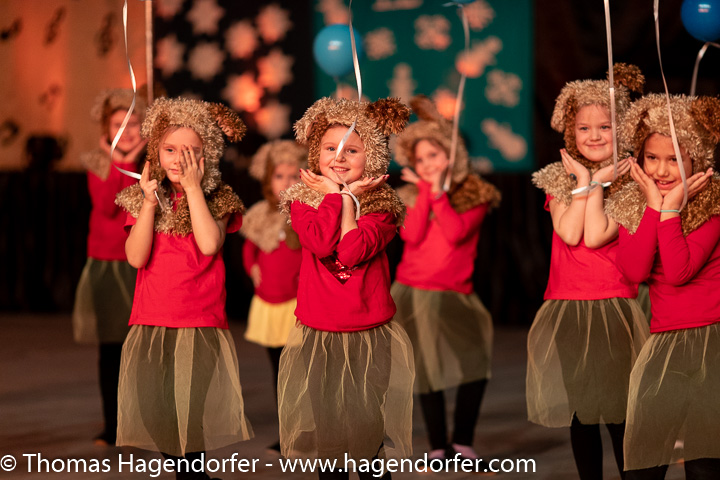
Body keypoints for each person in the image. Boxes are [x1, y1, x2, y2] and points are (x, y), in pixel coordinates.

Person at [277, 96, 415, 480]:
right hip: (319, 331)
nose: (338, 157)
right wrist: (334, 196)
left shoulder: (383, 207)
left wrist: (346, 200)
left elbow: (352, 252)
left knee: (366, 430)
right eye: (329, 148)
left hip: (367, 332)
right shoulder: (301, 202)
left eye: (351, 150)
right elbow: (321, 243)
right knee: (330, 433)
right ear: (315, 154)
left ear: (371, 158)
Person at [115, 97, 253, 480]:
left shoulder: (219, 197)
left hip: (198, 320)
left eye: (191, 151)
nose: (179, 159)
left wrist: (193, 190)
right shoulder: (143, 198)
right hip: (151, 319)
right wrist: (148, 202)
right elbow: (135, 257)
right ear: (156, 152)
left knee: (188, 415)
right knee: (155, 410)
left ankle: (192, 476)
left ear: (207, 154)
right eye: (170, 150)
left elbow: (209, 244)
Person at [527, 64, 650, 480]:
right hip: (567, 304)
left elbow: (595, 236)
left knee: (618, 409)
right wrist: (586, 181)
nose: (594, 136)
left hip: (614, 303)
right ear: (571, 132)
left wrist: (596, 182)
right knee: (581, 411)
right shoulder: (559, 178)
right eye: (584, 128)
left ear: (623, 129)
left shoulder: (632, 183)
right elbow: (568, 230)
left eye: (605, 127)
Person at [606, 93, 720, 480]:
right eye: (652, 158)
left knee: (704, 462)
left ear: (696, 161)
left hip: (711, 341)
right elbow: (635, 272)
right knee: (645, 461)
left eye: (674, 159)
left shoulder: (712, 205)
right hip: (665, 343)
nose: (661, 170)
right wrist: (654, 207)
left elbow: (678, 271)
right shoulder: (633, 205)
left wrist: (670, 210)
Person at [390, 95, 500, 465]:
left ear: (451, 155)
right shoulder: (410, 194)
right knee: (425, 370)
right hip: (414, 292)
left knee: (475, 364)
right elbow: (412, 235)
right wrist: (425, 191)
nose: (426, 164)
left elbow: (455, 233)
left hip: (454, 293)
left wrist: (437, 194)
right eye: (420, 159)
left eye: (433, 155)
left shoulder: (474, 194)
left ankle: (463, 442)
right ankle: (438, 446)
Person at [72, 88, 147, 446]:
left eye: (133, 124)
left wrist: (133, 161)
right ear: (106, 129)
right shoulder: (97, 162)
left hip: (140, 262)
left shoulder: (153, 160)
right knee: (111, 350)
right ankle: (113, 424)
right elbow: (108, 204)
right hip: (106, 265)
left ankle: (145, 423)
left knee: (144, 349)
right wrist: (121, 162)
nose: (127, 132)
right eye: (119, 125)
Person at [240, 139, 307, 453]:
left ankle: (307, 427)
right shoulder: (260, 215)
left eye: (293, 176)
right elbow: (250, 248)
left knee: (299, 370)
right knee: (279, 371)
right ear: (268, 180)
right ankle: (288, 431)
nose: (287, 182)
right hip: (269, 301)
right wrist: (252, 267)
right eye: (280, 176)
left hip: (297, 304)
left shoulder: (306, 212)